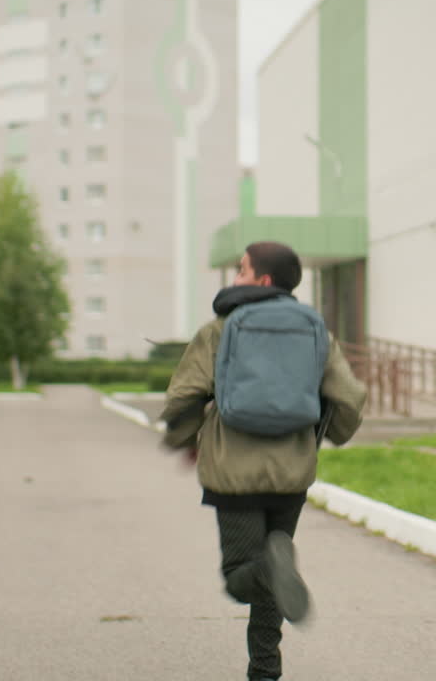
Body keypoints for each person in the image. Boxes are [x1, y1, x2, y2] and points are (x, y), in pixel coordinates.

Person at [161, 241, 367, 681]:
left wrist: (183, 438)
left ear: (264, 280)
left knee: (242, 575)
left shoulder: (220, 329)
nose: (235, 279)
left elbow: (183, 395)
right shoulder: (315, 331)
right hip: (291, 474)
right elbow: (349, 397)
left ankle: (273, 572)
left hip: (233, 473)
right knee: (271, 580)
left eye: (242, 271)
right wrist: (328, 436)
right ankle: (265, 674)